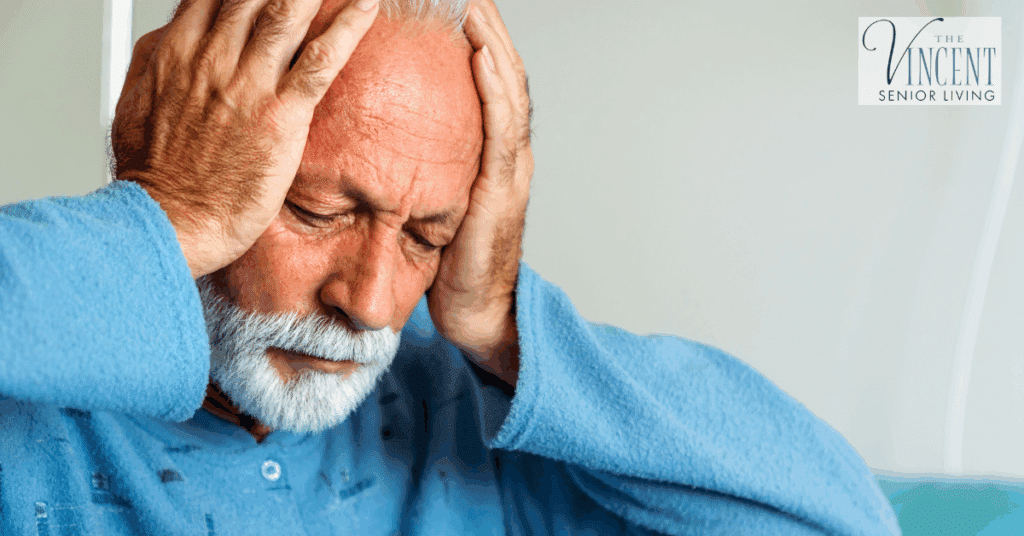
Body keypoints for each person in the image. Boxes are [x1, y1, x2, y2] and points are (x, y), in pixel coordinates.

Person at [0, 0, 901, 534]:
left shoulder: (464, 416)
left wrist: (502, 326)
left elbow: (835, 519)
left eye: (427, 237)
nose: (373, 302)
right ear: (187, 152)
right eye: (318, 212)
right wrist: (166, 223)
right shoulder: (32, 413)